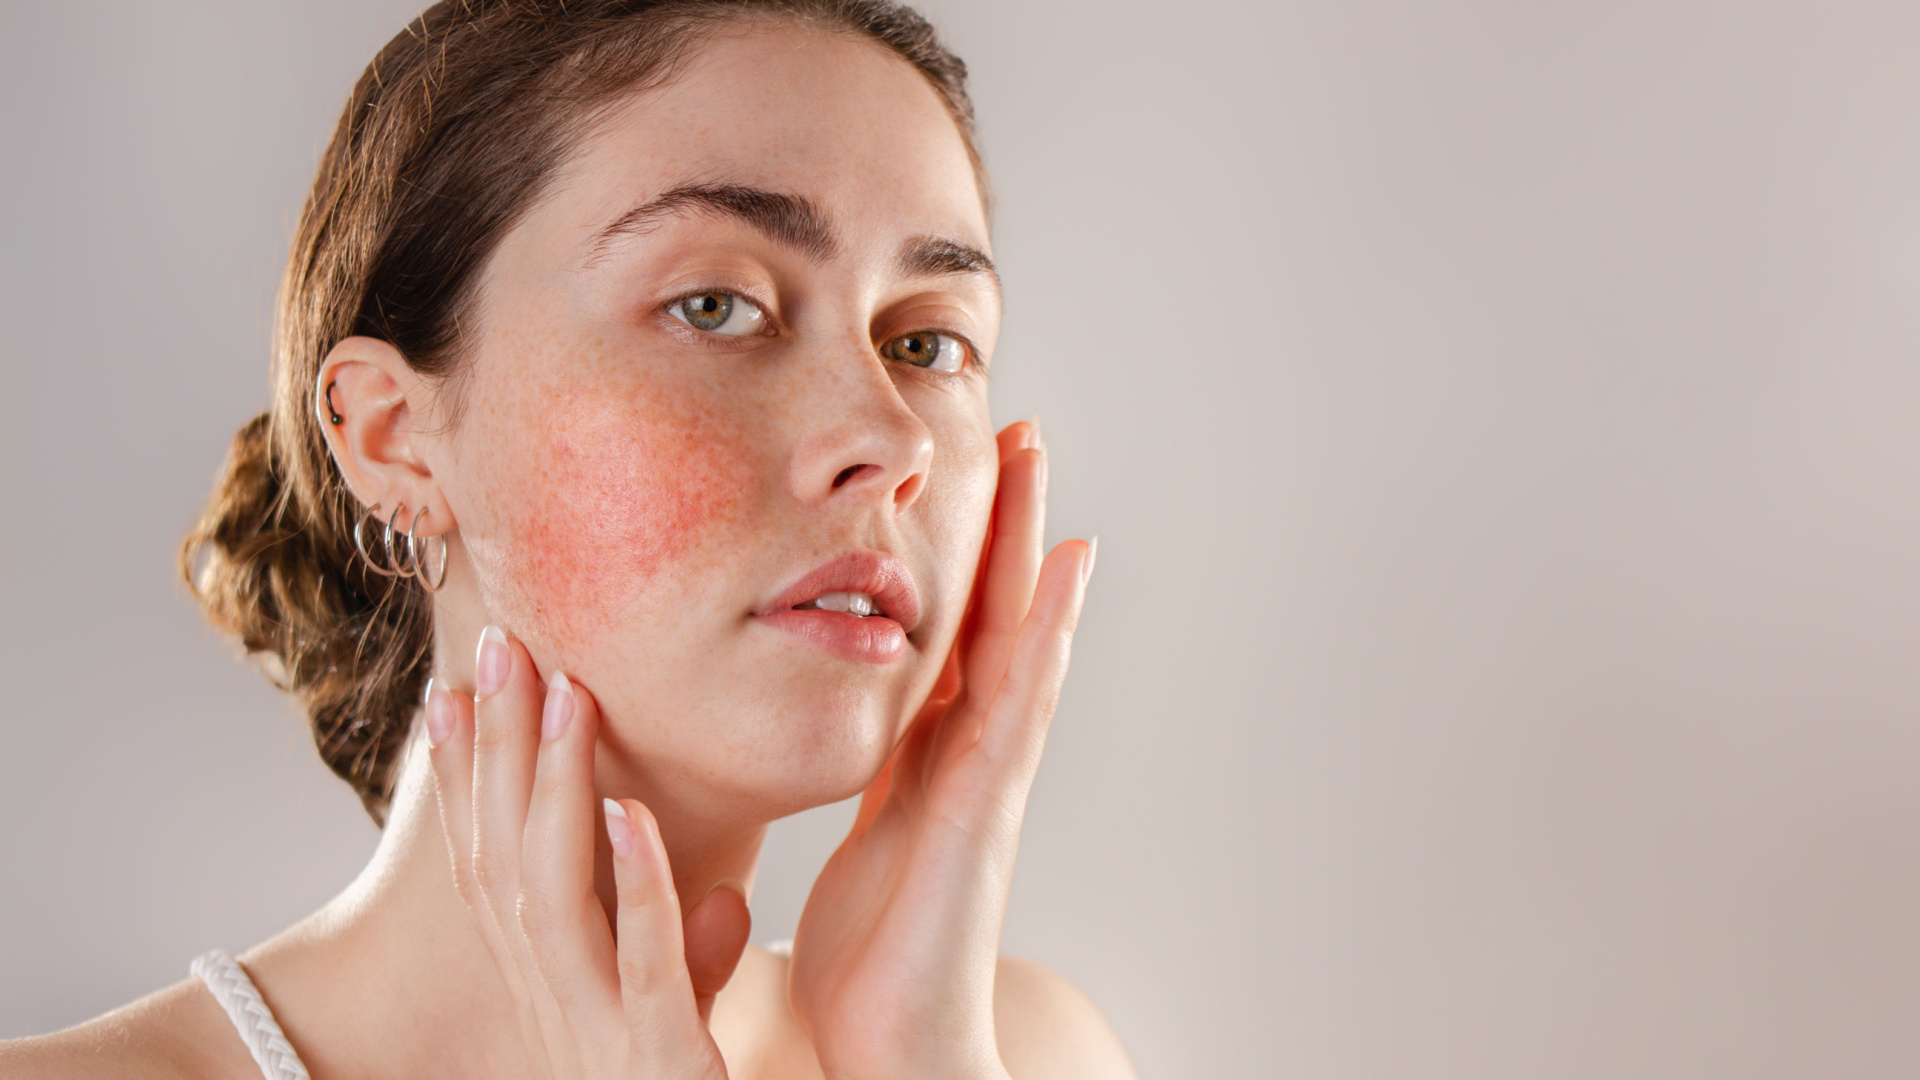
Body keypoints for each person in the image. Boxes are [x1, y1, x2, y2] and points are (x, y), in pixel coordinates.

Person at [0, 1, 1134, 1077]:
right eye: (714, 305)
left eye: (929, 343)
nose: (889, 437)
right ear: (394, 439)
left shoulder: (1023, 1056)